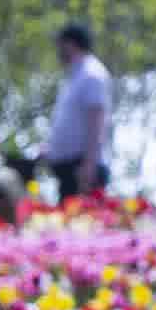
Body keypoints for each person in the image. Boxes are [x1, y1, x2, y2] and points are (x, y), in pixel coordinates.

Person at [41, 26, 114, 201]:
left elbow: (96, 121)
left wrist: (89, 165)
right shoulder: (76, 74)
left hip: (82, 169)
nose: (58, 50)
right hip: (68, 169)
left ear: (72, 44)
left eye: (61, 45)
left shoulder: (92, 75)